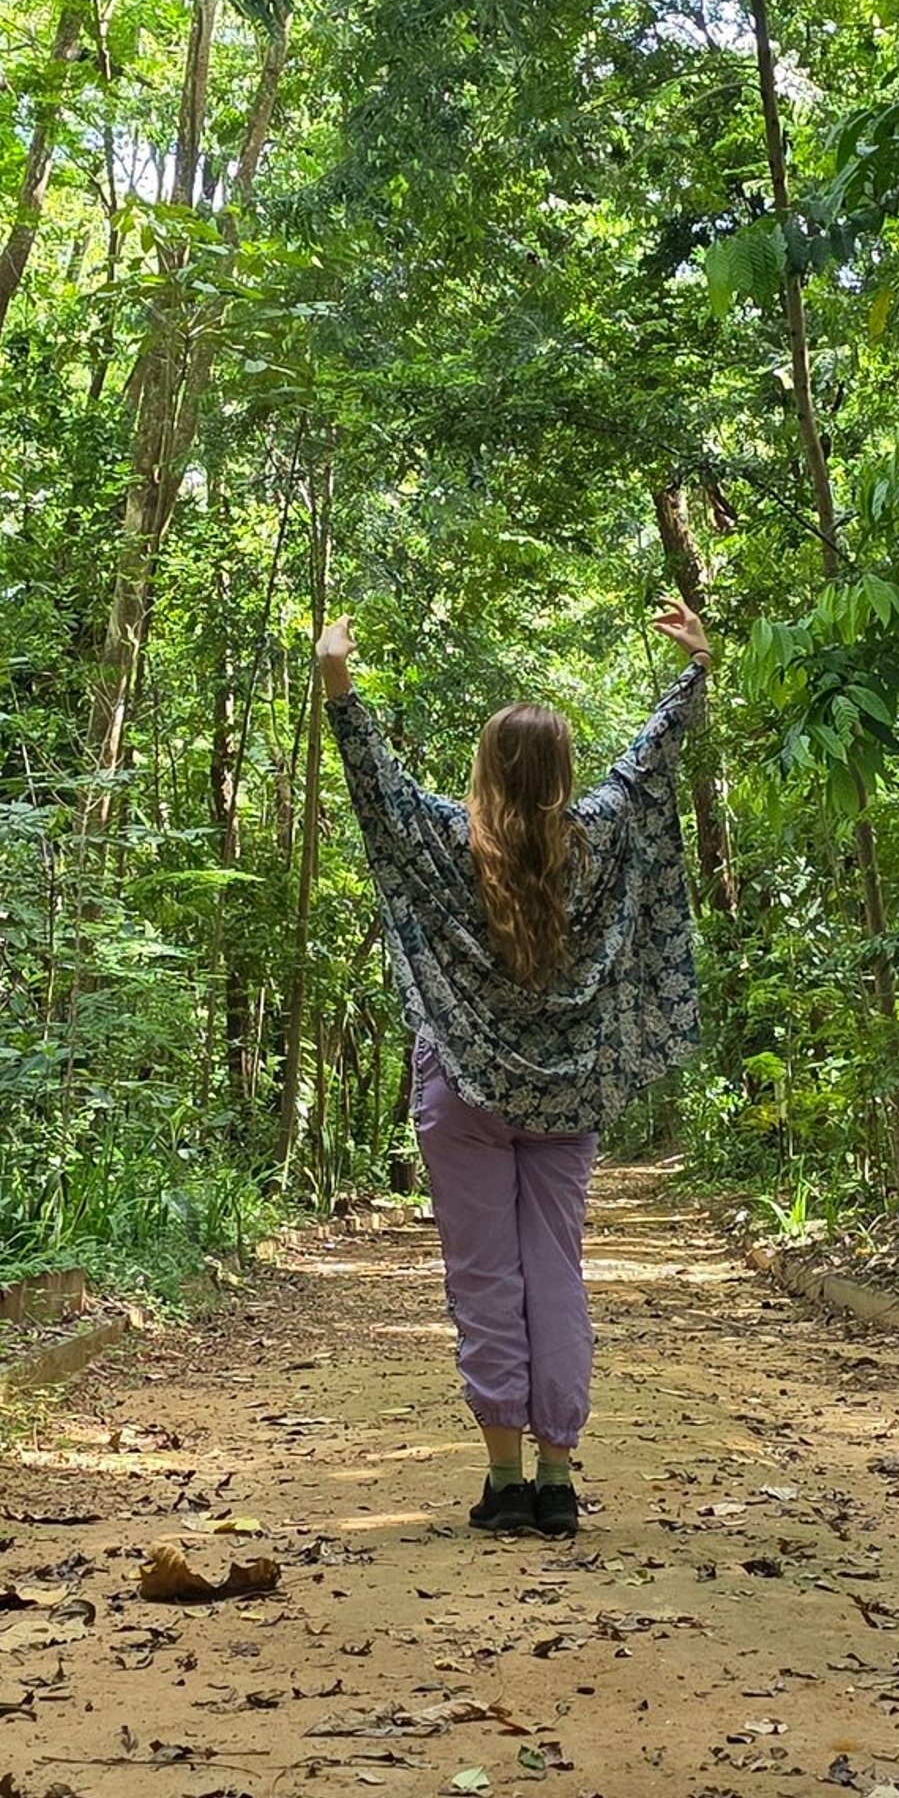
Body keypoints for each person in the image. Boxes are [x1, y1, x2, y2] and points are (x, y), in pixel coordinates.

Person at [314, 599, 713, 1539]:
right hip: (568, 1093)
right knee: (556, 1273)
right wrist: (694, 672)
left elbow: (377, 787)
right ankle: (558, 1477)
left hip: (461, 1088)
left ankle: (502, 1485)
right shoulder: (600, 837)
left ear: (487, 769)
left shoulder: (450, 841)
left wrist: (338, 676)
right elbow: (650, 768)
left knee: (485, 1274)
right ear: (563, 775)